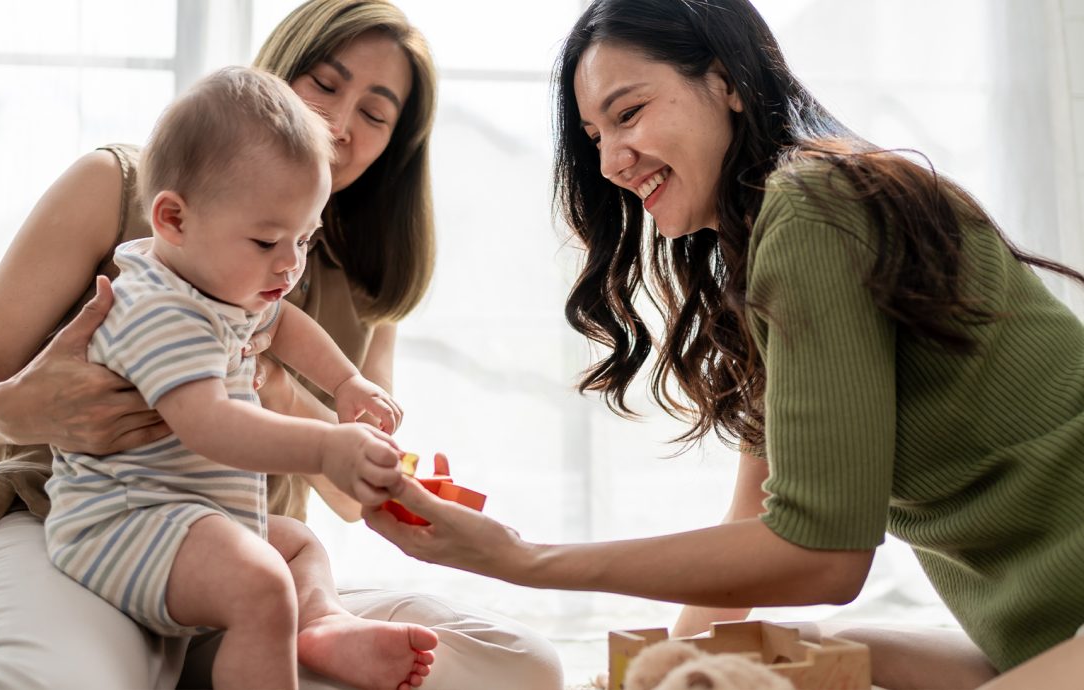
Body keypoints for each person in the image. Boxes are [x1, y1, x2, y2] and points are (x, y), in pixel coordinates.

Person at [363, 1, 1084, 689]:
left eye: (629, 112)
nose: (613, 159)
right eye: (595, 136)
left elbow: (824, 556)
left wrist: (522, 560)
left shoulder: (813, 209)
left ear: (727, 81)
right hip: (1043, 633)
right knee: (744, 659)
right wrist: (656, 669)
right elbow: (758, 517)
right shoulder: (773, 241)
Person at [0, 1, 564, 688]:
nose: (340, 126)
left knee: (521, 665)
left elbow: (345, 493)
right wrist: (14, 409)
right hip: (77, 526)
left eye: (375, 114)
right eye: (325, 84)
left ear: (395, 144)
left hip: (236, 552)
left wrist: (327, 414)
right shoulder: (130, 194)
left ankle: (296, 634)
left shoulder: (347, 275)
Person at [42, 65, 438, 690]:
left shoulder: (222, 283)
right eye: (266, 241)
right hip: (123, 523)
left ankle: (324, 624)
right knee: (260, 583)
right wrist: (325, 444)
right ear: (172, 219)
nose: (289, 263)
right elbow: (210, 425)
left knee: (300, 545)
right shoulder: (157, 308)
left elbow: (283, 326)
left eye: (305, 239)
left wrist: (345, 384)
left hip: (196, 516)